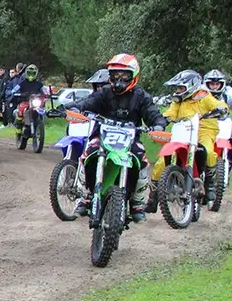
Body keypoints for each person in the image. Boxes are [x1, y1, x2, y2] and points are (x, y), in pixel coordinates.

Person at [69, 54, 167, 223]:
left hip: (130, 139)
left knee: (142, 160)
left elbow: (153, 113)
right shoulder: (105, 92)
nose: (119, 79)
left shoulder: (141, 96)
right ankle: (85, 196)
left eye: (124, 75)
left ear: (133, 76)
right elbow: (88, 101)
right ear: (110, 76)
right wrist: (77, 108)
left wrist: (158, 124)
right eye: (115, 75)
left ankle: (137, 202)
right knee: (88, 153)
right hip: (103, 135)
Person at [149, 70, 229, 187]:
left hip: (204, 131)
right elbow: (171, 112)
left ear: (191, 86)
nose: (178, 91)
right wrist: (163, 120)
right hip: (183, 132)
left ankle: (210, 182)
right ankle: (154, 194)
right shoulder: (178, 101)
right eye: (177, 88)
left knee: (209, 152)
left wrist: (221, 109)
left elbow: (217, 104)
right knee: (161, 161)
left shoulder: (205, 97)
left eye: (181, 88)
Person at [8, 64, 45, 128]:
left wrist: (48, 95)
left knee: (42, 110)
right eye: (29, 73)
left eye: (33, 73)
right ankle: (19, 128)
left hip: (35, 102)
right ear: (26, 73)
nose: (31, 75)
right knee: (21, 111)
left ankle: (39, 123)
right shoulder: (23, 83)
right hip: (25, 101)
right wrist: (13, 92)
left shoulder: (39, 84)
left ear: (36, 74)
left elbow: (44, 91)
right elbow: (15, 89)